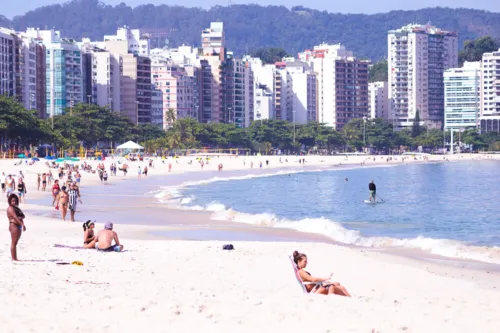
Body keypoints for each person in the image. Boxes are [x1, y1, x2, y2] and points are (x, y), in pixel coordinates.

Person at [7, 194, 26, 261]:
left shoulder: (16, 208)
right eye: (12, 201)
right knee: (14, 243)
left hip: (18, 226)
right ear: (10, 201)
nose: (14, 202)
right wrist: (22, 224)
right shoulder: (10, 208)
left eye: (15, 201)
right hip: (14, 226)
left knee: (15, 243)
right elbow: (15, 217)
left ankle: (15, 258)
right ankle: (14, 258)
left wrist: (20, 218)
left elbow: (23, 215)